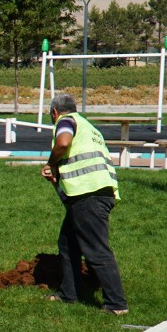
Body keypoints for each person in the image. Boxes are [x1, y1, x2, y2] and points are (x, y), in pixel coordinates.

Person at [42, 93, 127, 314]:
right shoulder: (89, 127)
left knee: (96, 249)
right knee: (68, 244)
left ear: (54, 112)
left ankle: (116, 303)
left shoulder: (66, 121)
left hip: (89, 194)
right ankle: (69, 294)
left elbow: (63, 142)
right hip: (94, 192)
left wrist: (51, 163)